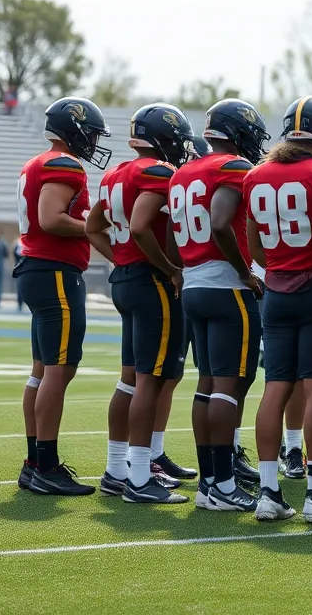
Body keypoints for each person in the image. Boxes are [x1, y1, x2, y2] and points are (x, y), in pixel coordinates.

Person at [240, 96, 312, 523]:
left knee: (275, 387)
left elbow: (254, 243)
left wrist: (278, 268)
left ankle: (269, 492)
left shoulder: (255, 175)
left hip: (276, 290)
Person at [86, 103, 194, 504]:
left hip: (127, 278)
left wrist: (122, 259)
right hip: (150, 282)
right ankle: (138, 476)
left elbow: (92, 227)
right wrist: (170, 268)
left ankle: (117, 470)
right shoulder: (156, 171)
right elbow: (139, 225)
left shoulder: (114, 173)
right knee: (150, 379)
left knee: (129, 379)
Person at [170, 98, 270, 512]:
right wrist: (244, 271)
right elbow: (218, 221)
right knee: (227, 386)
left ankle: (209, 483)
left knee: (208, 384)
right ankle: (224, 484)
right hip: (225, 286)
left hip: (194, 282)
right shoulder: (232, 167)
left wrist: (184, 268)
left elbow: (176, 231)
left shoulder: (183, 172)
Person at [13, 97, 110, 496]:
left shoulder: (37, 163)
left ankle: (34, 462)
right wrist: (95, 226)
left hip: (39, 269)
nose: (93, 141)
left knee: (42, 369)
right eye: (90, 133)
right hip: (53, 271)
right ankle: (46, 465)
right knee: (59, 369)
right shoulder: (63, 164)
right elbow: (51, 218)